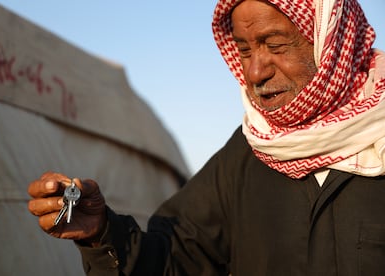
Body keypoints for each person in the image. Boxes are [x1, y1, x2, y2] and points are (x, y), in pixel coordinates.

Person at [27, 0, 385, 275]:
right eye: (244, 50)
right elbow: (174, 257)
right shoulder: (248, 153)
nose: (255, 72)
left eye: (275, 45)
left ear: (333, 42)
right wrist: (101, 231)